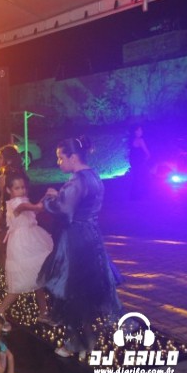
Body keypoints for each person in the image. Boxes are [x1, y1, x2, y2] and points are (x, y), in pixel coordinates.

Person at [38, 136, 123, 358]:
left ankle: (75, 344)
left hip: (74, 240)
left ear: (73, 157)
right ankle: (86, 342)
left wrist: (49, 200)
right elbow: (78, 203)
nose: (59, 162)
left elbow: (64, 211)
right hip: (91, 237)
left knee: (72, 291)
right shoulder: (93, 175)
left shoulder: (77, 180)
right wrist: (60, 195)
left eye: (61, 158)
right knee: (85, 291)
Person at [0, 171, 53, 326]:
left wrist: (45, 198)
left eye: (23, 187)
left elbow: (35, 209)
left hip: (32, 241)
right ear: (9, 190)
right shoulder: (16, 204)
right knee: (20, 283)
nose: (21, 191)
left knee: (38, 279)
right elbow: (36, 207)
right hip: (22, 245)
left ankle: (43, 312)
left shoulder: (22, 200)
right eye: (17, 188)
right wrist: (48, 197)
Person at [0, 145, 26, 265]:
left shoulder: (5, 176)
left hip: (9, 215)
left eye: (0, 157)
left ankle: (3, 271)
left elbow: (3, 198)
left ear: (9, 160)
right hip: (20, 214)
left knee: (5, 245)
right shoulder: (20, 174)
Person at [128, 125, 151, 200]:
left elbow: (131, 154)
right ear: (136, 132)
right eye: (139, 130)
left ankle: (134, 195)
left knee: (136, 178)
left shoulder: (131, 140)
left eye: (141, 130)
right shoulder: (140, 140)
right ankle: (142, 195)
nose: (141, 132)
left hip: (134, 163)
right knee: (143, 178)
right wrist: (145, 160)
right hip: (140, 163)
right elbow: (147, 153)